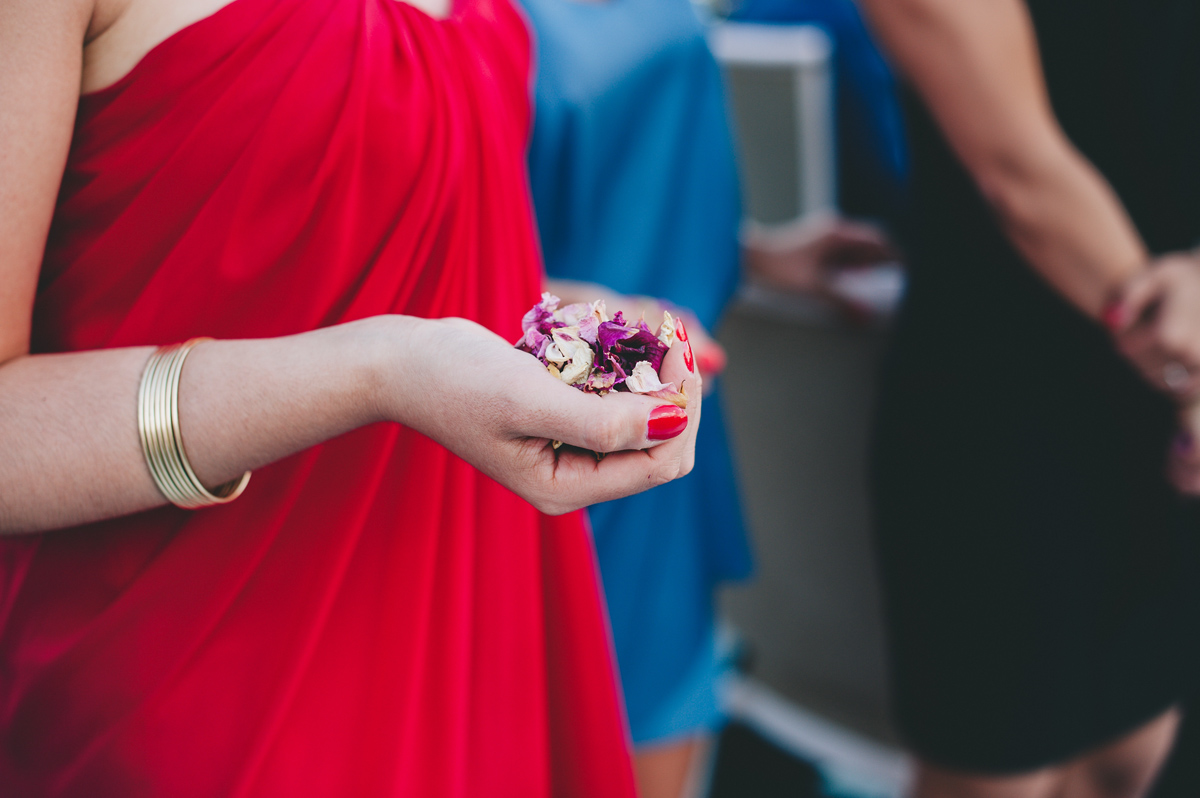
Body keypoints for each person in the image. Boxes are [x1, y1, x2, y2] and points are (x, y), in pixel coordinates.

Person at [0, 0, 703, 794]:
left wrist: (563, 329)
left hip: (476, 616)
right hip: (216, 671)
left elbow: (317, 252)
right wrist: (380, 370)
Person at [518, 1, 894, 795]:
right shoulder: (465, 25)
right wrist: (613, 331)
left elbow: (640, 163)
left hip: (663, 457)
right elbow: (424, 283)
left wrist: (750, 256)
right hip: (536, 453)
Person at [860, 0, 1200, 796]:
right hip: (1009, 416)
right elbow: (1020, 172)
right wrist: (1189, 375)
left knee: (1140, 757)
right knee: (1003, 771)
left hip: (1158, 408)